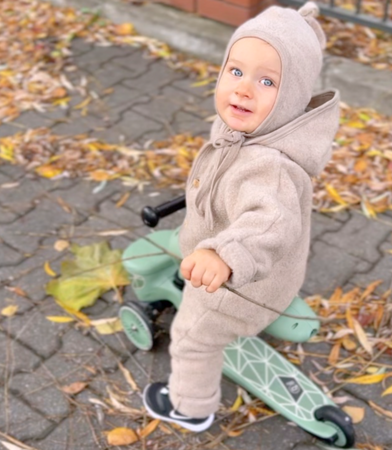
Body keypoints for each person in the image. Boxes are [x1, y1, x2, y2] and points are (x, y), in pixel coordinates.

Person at [143, 1, 340, 432]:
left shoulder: (269, 167)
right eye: (236, 71)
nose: (244, 89)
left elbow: (269, 223)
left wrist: (225, 254)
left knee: (192, 339)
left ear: (292, 97)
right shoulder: (242, 128)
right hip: (236, 257)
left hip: (243, 284)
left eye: (267, 80)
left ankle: (190, 408)